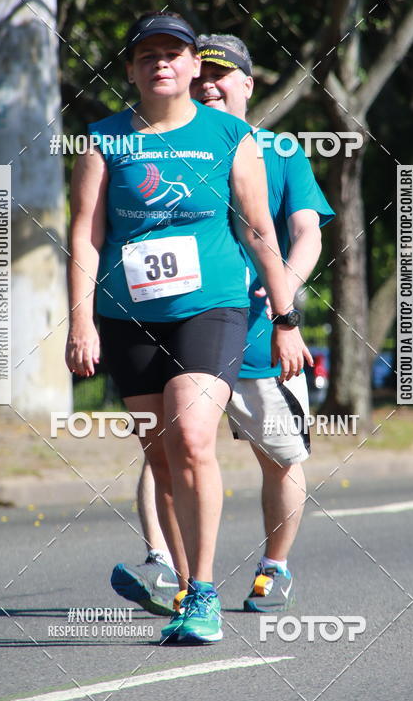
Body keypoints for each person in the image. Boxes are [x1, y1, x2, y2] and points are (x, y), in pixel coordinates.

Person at [65, 13, 310, 645]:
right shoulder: (104, 140)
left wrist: (285, 319)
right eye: (147, 55)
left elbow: (259, 230)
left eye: (173, 53)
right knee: (160, 454)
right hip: (128, 316)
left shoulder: (231, 135)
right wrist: (81, 321)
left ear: (193, 65)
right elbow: (85, 237)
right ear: (131, 70)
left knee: (193, 436)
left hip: (212, 308)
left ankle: (203, 592)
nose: (161, 64)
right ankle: (181, 583)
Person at [111, 33, 334, 618]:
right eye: (203, 73)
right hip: (182, 323)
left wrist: (283, 295)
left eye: (223, 74)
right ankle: (165, 566)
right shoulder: (155, 143)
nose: (210, 83)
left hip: (260, 331)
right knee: (169, 446)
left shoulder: (280, 149)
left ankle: (274, 566)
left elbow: (307, 233)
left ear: (248, 84)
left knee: (280, 457)